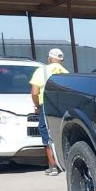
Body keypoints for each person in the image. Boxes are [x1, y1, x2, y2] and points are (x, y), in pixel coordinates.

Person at [30, 48, 69, 176]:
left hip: (46, 106)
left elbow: (35, 92)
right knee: (61, 133)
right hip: (62, 108)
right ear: (61, 60)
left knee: (47, 134)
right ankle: (66, 163)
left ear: (49, 58)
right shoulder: (66, 73)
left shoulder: (41, 71)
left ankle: (53, 166)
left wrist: (37, 105)